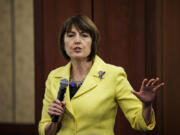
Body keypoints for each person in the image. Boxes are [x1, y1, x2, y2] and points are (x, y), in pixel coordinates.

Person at [38, 14, 164, 135]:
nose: (77, 41)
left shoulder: (113, 75)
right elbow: (45, 130)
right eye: (71, 35)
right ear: (63, 43)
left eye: (84, 35)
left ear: (93, 42)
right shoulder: (54, 77)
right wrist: (55, 121)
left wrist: (146, 106)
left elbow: (139, 123)